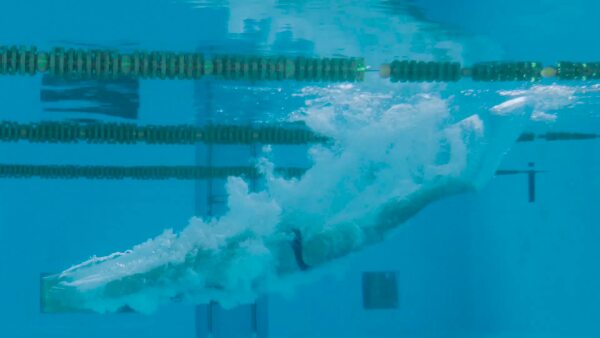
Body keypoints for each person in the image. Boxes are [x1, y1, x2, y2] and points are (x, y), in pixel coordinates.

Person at [41, 94, 531, 314]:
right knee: (379, 211)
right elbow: (146, 277)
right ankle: (454, 173)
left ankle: (457, 177)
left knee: (381, 216)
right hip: (294, 248)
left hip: (299, 251)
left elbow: (142, 278)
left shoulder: (188, 271)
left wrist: (80, 293)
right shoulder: (194, 267)